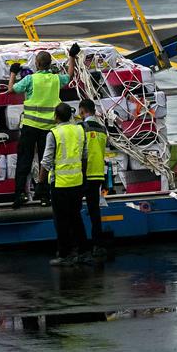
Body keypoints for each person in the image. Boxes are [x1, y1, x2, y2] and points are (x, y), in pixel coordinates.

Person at [9, 43, 79, 209]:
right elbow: (69, 76)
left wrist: (13, 72)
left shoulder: (30, 79)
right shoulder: (56, 79)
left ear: (37, 64)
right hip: (48, 129)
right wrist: (71, 57)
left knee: (24, 160)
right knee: (45, 161)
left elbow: (11, 90)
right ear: (49, 64)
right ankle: (44, 196)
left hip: (30, 126)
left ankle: (20, 194)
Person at [40, 103, 88, 266]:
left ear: (56, 116)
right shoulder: (80, 130)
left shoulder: (54, 133)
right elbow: (84, 156)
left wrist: (41, 185)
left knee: (61, 221)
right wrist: (83, 179)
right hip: (77, 182)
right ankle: (82, 251)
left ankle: (64, 254)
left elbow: (46, 162)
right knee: (76, 218)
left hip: (60, 184)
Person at [78, 98, 110, 259]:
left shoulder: (81, 127)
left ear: (83, 111)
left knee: (75, 211)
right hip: (98, 173)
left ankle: (81, 247)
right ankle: (98, 245)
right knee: (95, 211)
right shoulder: (103, 129)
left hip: (83, 173)